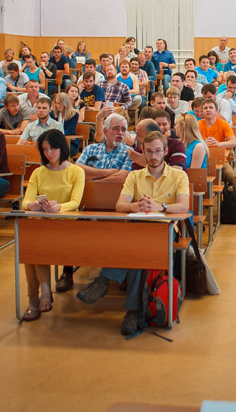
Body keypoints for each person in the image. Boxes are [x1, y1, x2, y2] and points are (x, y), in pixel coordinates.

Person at [78, 129, 190, 336]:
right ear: (143, 152)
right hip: (137, 229)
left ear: (165, 151)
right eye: (149, 152)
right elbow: (120, 205)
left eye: (157, 151)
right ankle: (133, 311)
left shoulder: (178, 175)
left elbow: (184, 206)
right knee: (139, 252)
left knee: (137, 247)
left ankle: (105, 281)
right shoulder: (134, 175)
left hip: (164, 230)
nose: (153, 156)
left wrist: (161, 207)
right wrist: (135, 206)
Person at [20, 129, 85, 320]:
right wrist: (33, 205)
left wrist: (59, 207)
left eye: (53, 148)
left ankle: (39, 296)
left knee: (34, 244)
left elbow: (75, 202)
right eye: (45, 149)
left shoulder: (76, 171)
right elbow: (25, 202)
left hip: (66, 225)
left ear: (62, 147)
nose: (49, 153)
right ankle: (40, 295)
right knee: (31, 245)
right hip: (42, 223)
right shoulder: (38, 172)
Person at [77, 112, 134, 181]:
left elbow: (122, 178)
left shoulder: (129, 152)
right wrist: (109, 172)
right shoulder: (90, 149)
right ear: (105, 131)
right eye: (116, 129)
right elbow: (77, 171)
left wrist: (94, 181)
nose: (120, 133)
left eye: (123, 130)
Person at [198, 98, 236, 185]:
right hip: (201, 159)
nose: (208, 110)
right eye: (205, 108)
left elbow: (234, 142)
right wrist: (203, 143)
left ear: (216, 111)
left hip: (220, 159)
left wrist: (219, 144)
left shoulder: (224, 124)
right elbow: (191, 142)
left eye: (211, 107)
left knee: (231, 175)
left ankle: (231, 193)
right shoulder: (197, 125)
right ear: (202, 112)